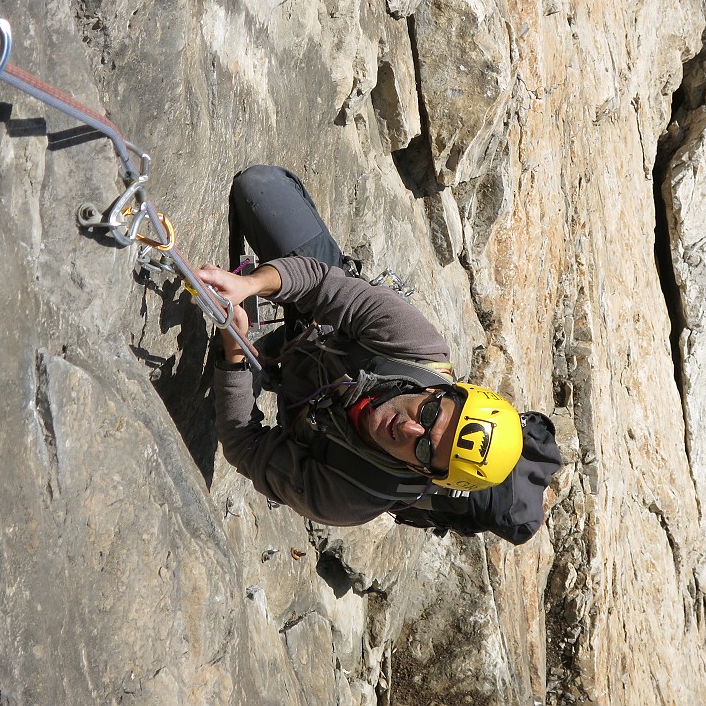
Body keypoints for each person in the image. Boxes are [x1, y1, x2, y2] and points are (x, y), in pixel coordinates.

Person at [199, 166, 561, 544]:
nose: (407, 428)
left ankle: (270, 361)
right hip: (321, 332)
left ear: (423, 472)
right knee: (259, 187)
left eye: (423, 447)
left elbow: (246, 446)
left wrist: (234, 355)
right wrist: (249, 284)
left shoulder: (352, 496)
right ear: (445, 391)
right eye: (430, 414)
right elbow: (324, 287)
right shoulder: (417, 347)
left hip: (304, 401)